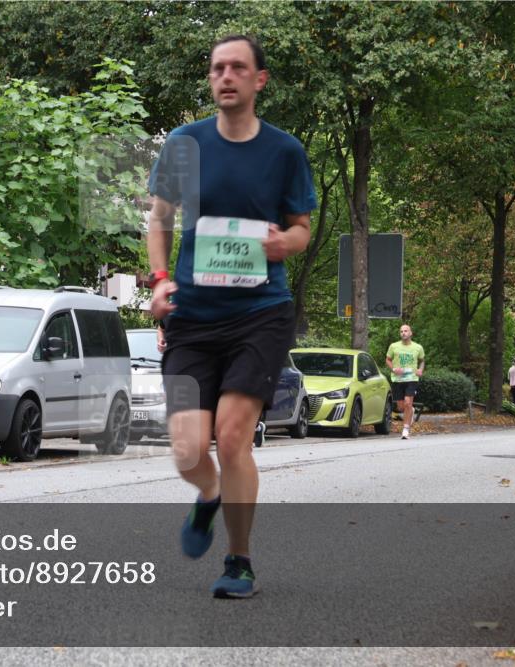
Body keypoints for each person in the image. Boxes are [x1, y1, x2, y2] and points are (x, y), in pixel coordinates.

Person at [146, 35, 316, 599]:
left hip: (260, 314)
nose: (226, 77)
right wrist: (160, 280)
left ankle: (238, 559)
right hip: (193, 315)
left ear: (258, 80)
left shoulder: (285, 151)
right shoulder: (183, 143)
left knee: (233, 435)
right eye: (218, 68)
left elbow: (301, 227)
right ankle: (208, 496)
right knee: (189, 449)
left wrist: (284, 244)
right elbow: (160, 220)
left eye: (237, 68)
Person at [385, 324, 425, 440]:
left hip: (412, 379)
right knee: (401, 407)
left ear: (411, 333)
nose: (403, 333)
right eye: (401, 331)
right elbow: (387, 359)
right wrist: (393, 369)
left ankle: (406, 429)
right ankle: (411, 410)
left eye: (406, 331)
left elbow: (422, 360)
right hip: (398, 379)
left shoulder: (418, 347)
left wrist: (420, 369)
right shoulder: (394, 346)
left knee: (408, 402)